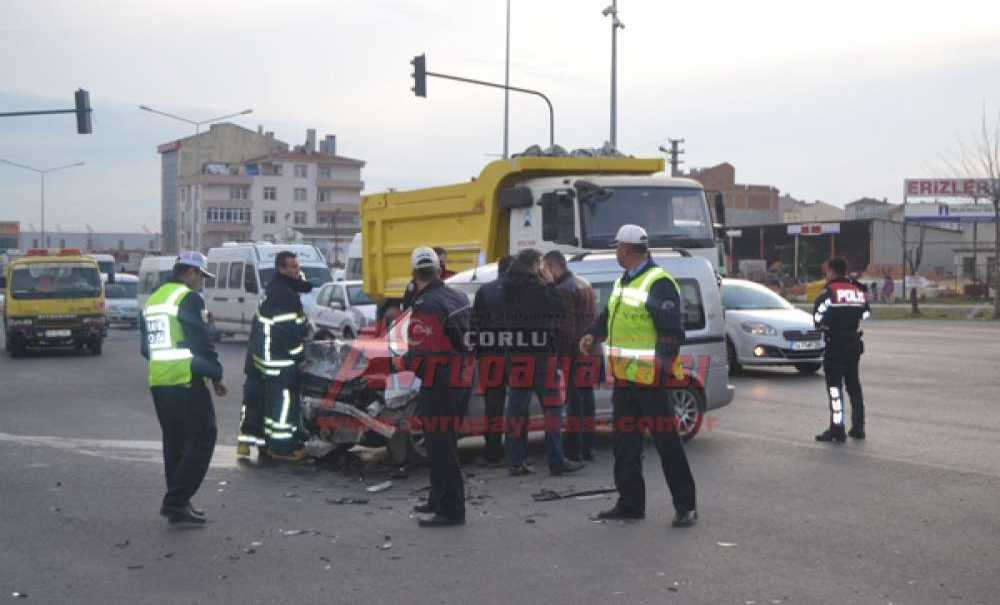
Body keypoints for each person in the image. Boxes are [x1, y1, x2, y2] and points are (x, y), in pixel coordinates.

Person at [580, 224, 698, 528]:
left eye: (617, 247)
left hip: (650, 382)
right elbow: (608, 316)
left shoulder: (658, 283)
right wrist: (593, 334)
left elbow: (671, 334)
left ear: (628, 249)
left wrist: (658, 372)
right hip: (625, 378)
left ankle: (686, 507)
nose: (616, 252)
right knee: (625, 444)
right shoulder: (624, 281)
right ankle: (630, 504)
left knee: (667, 444)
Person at [140, 251, 228, 526]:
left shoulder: (154, 299)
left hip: (159, 381)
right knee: (204, 437)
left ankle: (178, 503)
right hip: (185, 381)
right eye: (201, 276)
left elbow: (146, 348)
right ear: (191, 273)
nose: (202, 282)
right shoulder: (189, 298)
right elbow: (201, 342)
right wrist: (215, 375)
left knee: (175, 443)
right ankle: (176, 501)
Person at [499, 249, 583, 477]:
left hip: (517, 356)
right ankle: (556, 460)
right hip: (542, 357)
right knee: (553, 409)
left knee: (516, 410)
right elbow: (559, 311)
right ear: (535, 265)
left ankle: (515, 461)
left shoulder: (506, 286)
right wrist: (549, 285)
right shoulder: (538, 288)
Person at [406, 247, 472, 527]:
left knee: (441, 448)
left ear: (413, 274)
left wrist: (405, 363)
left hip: (440, 383)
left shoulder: (426, 306)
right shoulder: (458, 296)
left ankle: (451, 509)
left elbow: (423, 352)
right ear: (439, 270)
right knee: (443, 445)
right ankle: (437, 497)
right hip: (460, 379)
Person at [247, 251, 313, 461]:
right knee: (285, 403)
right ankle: (282, 447)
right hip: (280, 359)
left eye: (297, 266)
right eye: (292, 267)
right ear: (281, 269)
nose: (297, 270)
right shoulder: (285, 295)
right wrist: (300, 358)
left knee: (274, 402)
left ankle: (271, 442)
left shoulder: (277, 289)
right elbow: (288, 333)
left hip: (267, 356)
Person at [542, 250, 598, 462]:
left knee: (575, 403)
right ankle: (588, 447)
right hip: (590, 350)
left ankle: (574, 449)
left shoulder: (564, 289)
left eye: (545, 269)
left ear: (553, 267)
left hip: (574, 352)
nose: (544, 274)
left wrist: (560, 358)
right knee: (587, 399)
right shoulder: (584, 283)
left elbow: (567, 329)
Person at [812, 257, 871, 442]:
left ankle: (837, 429)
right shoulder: (857, 291)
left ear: (831, 271)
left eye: (827, 271)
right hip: (853, 344)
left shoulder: (828, 292)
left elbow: (817, 319)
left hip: (835, 345)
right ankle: (858, 427)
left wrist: (826, 323)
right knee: (854, 387)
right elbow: (866, 313)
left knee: (835, 389)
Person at [470, 255, 515, 466]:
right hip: (516, 356)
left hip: (491, 356)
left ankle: (493, 452)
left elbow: (475, 325)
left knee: (493, 406)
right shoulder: (522, 292)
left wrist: (479, 353)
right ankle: (516, 452)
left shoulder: (485, 291)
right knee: (517, 405)